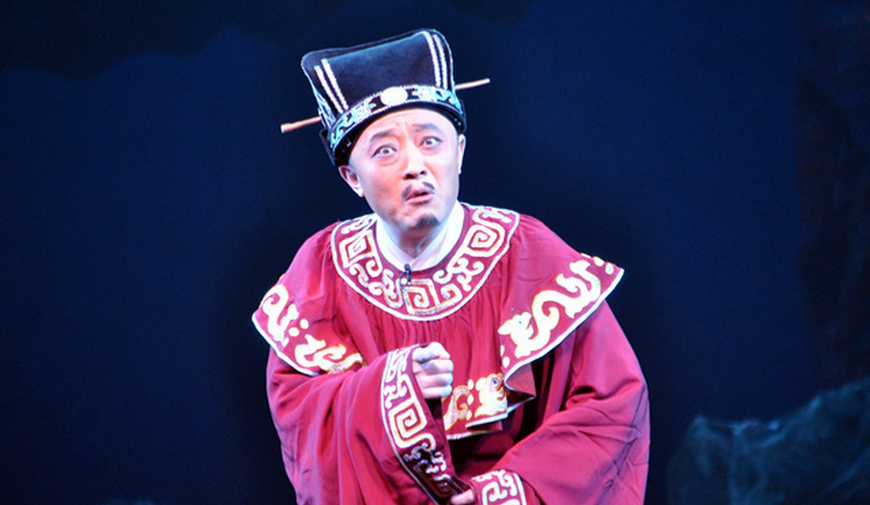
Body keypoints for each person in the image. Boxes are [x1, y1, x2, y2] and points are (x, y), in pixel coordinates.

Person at [252, 28, 650, 505]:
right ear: (352, 177)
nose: (414, 165)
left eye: (430, 141)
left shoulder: (528, 253)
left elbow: (611, 404)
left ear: (459, 151)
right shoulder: (322, 272)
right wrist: (392, 388)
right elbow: (301, 416)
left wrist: (509, 490)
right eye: (385, 150)